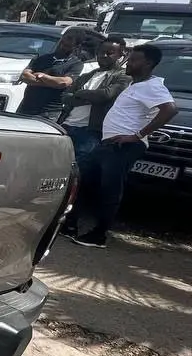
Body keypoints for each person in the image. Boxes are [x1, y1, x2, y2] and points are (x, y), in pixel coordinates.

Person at [62, 43, 179, 248]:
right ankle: (70, 225)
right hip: (107, 144)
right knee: (84, 182)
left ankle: (99, 236)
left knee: (110, 191)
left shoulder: (153, 86)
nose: (128, 63)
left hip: (123, 146)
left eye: (134, 60)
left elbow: (169, 110)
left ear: (148, 63)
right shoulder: (136, 84)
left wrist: (137, 135)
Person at [54, 36, 132, 163]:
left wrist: (79, 93)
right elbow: (65, 97)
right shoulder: (86, 76)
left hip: (90, 131)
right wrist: (89, 98)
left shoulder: (123, 76)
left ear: (120, 55)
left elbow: (106, 95)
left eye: (110, 53)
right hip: (66, 125)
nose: (104, 56)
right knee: (57, 165)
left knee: (79, 168)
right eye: (102, 52)